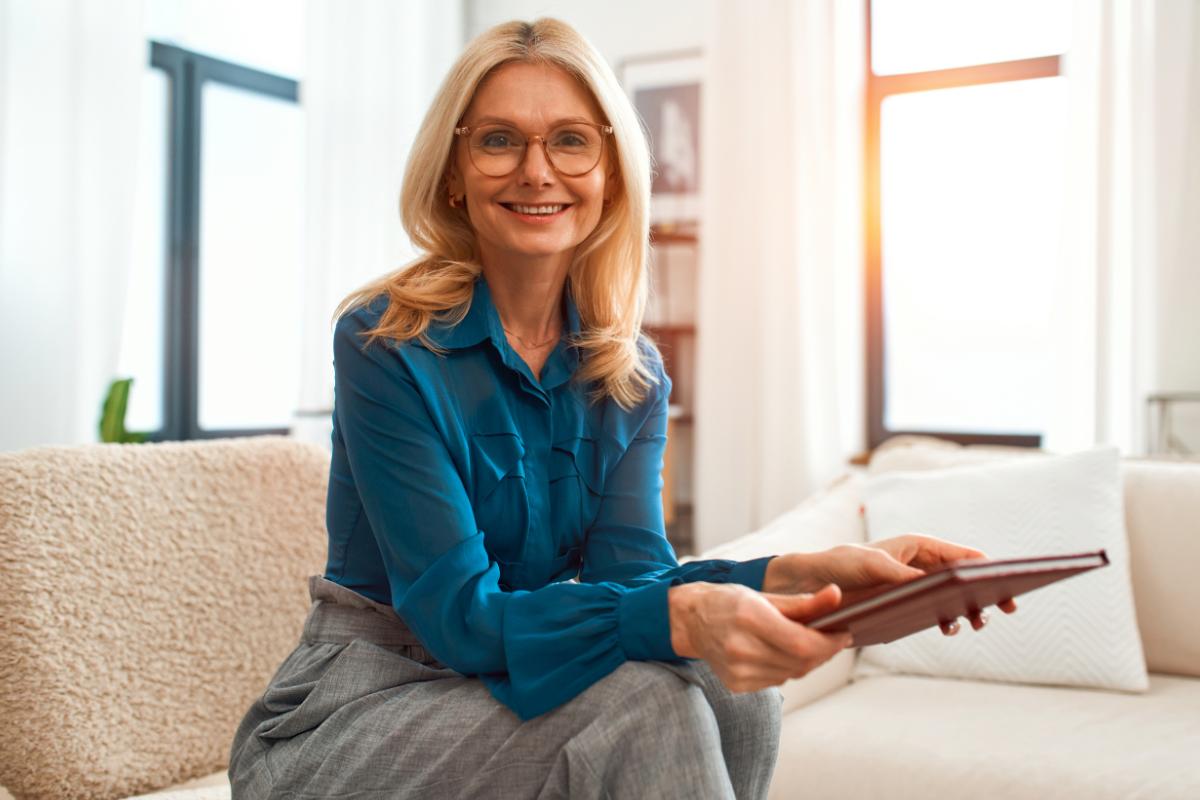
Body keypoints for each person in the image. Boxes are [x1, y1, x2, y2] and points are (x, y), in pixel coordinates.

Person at [228, 17, 1017, 800]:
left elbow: (636, 580)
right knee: (644, 706)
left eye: (571, 141)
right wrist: (683, 616)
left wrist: (794, 571)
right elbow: (462, 617)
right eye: (499, 140)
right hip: (357, 711)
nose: (537, 171)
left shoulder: (628, 375)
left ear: (609, 174)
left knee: (734, 693)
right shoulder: (383, 343)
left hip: (494, 689)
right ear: (453, 174)